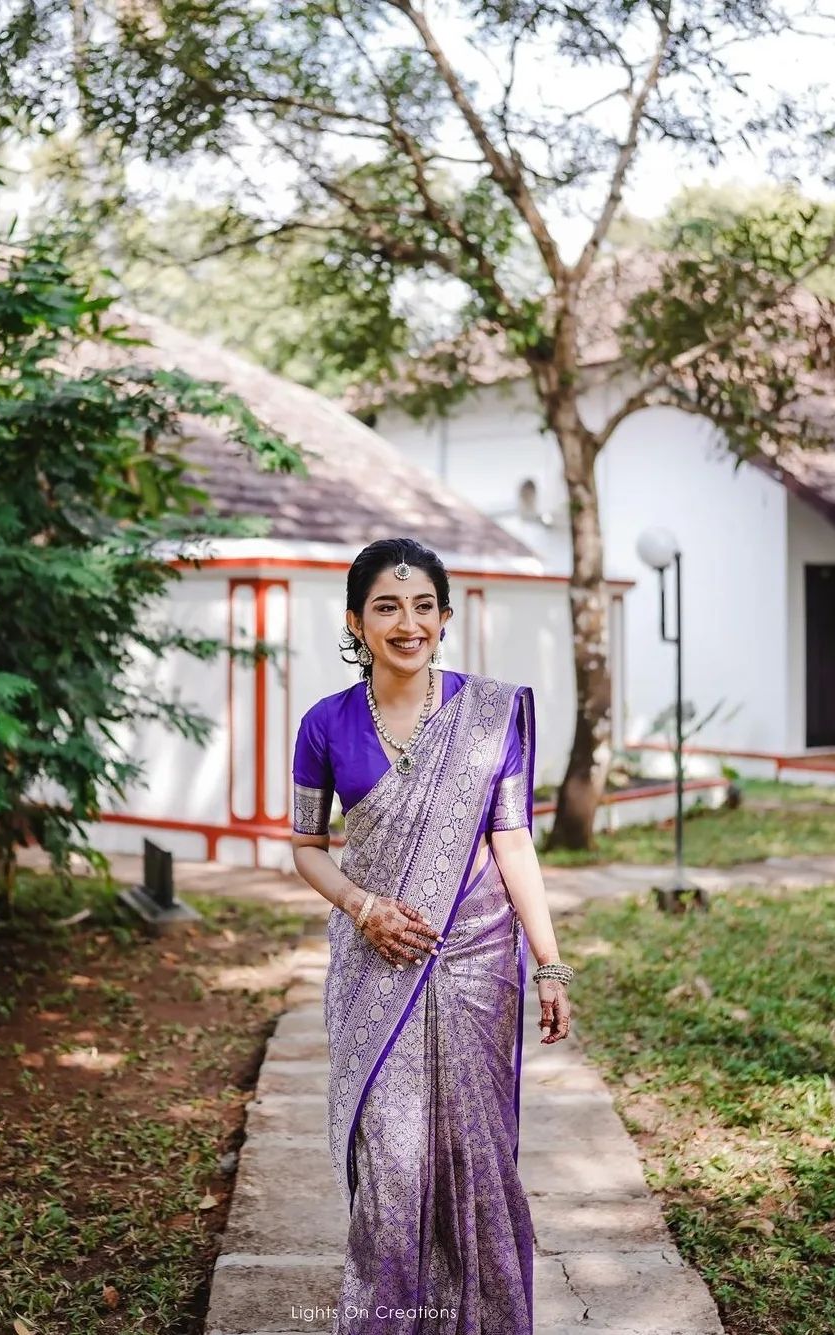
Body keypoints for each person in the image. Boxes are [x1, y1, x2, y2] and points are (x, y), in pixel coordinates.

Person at [290, 537, 573, 1335]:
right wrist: (362, 906)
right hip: (374, 968)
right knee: (390, 1165)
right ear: (356, 620)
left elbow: (513, 840)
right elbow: (307, 849)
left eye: (422, 606)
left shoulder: (490, 714)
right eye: (386, 605)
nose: (406, 622)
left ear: (445, 617)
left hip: (480, 963)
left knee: (476, 1160)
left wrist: (550, 966)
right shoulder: (325, 724)